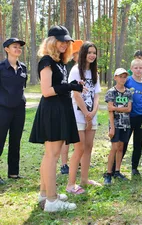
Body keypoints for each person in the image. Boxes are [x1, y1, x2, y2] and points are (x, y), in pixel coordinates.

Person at [30, 25, 84, 212]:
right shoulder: (46, 61)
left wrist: (72, 85)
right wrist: (69, 87)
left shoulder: (60, 62)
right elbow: (46, 91)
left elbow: (58, 85)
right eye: (60, 40)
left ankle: (45, 194)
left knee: (50, 154)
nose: (64, 44)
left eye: (66, 41)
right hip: (52, 110)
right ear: (52, 41)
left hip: (59, 109)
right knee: (52, 156)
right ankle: (52, 201)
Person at [66, 42, 102, 194]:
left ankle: (84, 179)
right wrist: (86, 113)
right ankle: (71, 184)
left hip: (91, 116)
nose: (92, 55)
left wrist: (93, 112)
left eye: (94, 52)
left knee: (88, 147)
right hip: (78, 115)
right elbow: (76, 93)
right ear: (83, 54)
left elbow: (97, 94)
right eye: (89, 52)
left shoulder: (94, 73)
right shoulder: (75, 70)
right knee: (79, 148)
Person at [0, 38, 27, 185]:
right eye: (14, 47)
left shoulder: (23, 67)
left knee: (15, 141)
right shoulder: (1, 67)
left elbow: (22, 87)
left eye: (19, 47)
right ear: (7, 49)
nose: (18, 49)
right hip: (3, 109)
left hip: (19, 110)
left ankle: (13, 172)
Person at [122, 58, 142, 177]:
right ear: (131, 69)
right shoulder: (127, 81)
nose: (138, 70)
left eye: (140, 68)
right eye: (136, 68)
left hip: (141, 116)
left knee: (138, 143)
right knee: (123, 141)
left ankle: (134, 167)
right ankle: (115, 166)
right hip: (128, 115)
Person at [104, 68, 132, 185]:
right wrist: (112, 127)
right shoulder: (111, 92)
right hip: (115, 123)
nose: (122, 79)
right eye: (120, 76)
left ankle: (117, 171)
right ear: (115, 77)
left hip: (126, 123)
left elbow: (129, 109)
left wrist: (116, 108)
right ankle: (108, 173)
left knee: (121, 147)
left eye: (124, 77)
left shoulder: (128, 92)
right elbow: (110, 110)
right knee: (114, 147)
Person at [61, 39, 83, 175]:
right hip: (66, 103)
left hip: (77, 105)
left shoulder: (82, 67)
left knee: (77, 134)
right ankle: (64, 164)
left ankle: (78, 160)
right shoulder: (66, 65)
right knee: (66, 136)